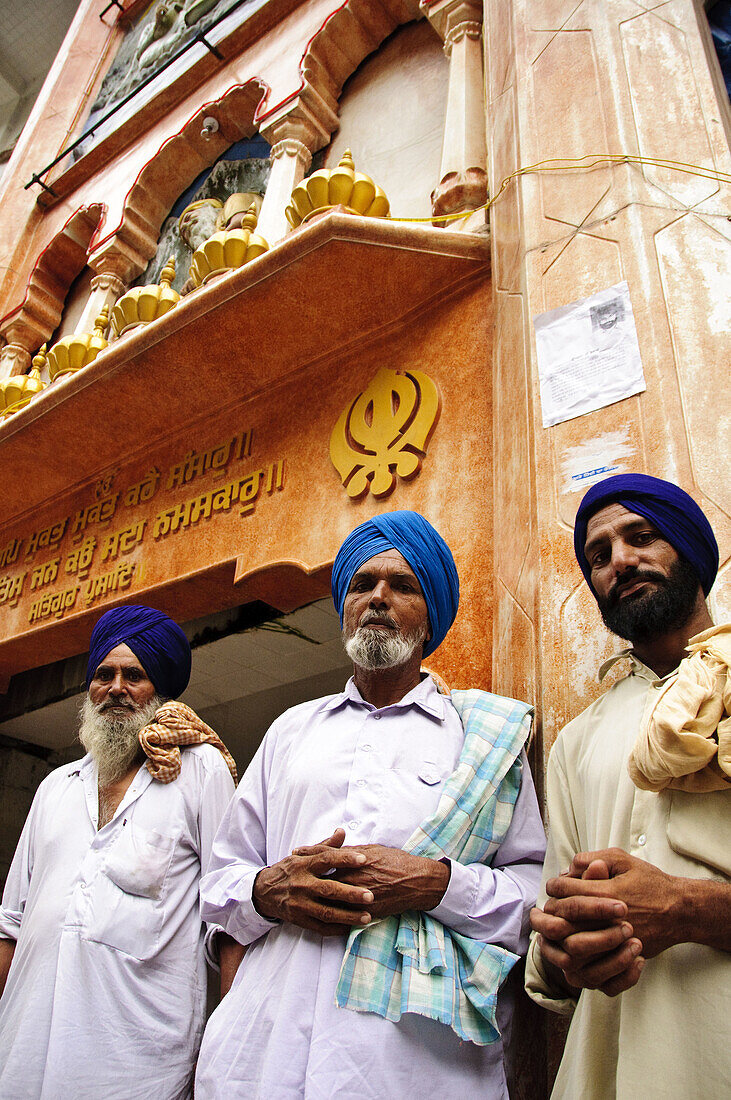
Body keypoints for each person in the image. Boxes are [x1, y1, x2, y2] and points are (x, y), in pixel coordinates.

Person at [195, 510, 546, 1098]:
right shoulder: (290, 731)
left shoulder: (481, 736)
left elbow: (532, 895)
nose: (378, 597)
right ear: (344, 605)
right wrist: (268, 890)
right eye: (362, 584)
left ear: (430, 612)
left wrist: (434, 885)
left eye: (402, 585)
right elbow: (221, 879)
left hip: (416, 1063)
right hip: (262, 1057)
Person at [525, 474, 731, 1099]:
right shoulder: (577, 741)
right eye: (598, 554)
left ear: (691, 551)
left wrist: (686, 908)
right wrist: (567, 949)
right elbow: (550, 951)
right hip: (606, 1068)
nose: (619, 560)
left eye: (641, 537)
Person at [0, 605, 243, 1100]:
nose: (116, 688)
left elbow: (229, 921)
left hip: (139, 1070)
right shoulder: (55, 787)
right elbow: (10, 927)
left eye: (135, 675)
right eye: (103, 675)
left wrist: (222, 1056)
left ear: (162, 691)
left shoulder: (200, 772)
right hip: (22, 1058)